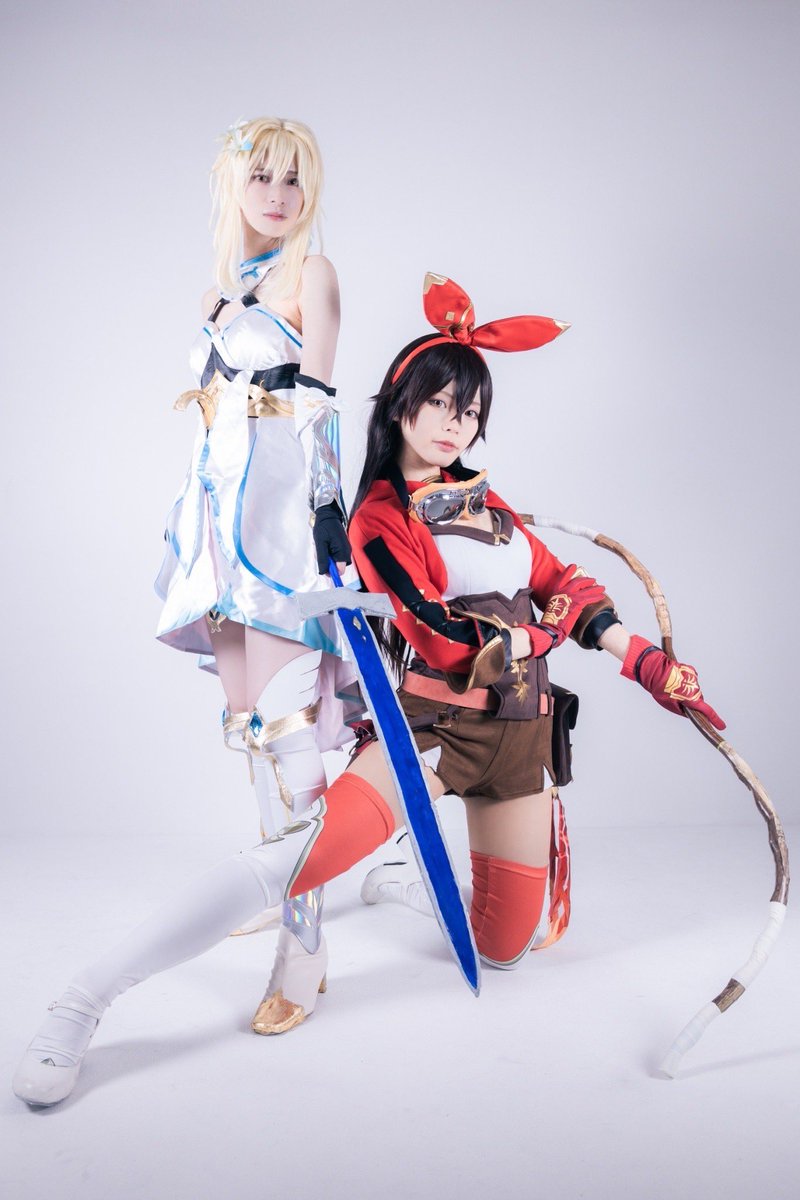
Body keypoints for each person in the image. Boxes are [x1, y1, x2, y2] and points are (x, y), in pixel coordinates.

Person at [12, 274, 723, 1107]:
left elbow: (563, 581)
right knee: (290, 863)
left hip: (521, 741)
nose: (455, 422)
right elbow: (441, 637)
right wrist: (542, 634)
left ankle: (404, 882)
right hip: (432, 738)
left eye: (470, 411)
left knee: (505, 948)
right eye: (441, 403)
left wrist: (646, 663)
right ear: (401, 406)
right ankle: (82, 1001)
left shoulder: (488, 505)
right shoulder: (381, 518)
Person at [154, 117, 356, 1034]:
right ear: (233, 187)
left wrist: (325, 520)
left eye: (292, 179)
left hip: (281, 531)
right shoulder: (220, 289)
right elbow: (209, 418)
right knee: (250, 727)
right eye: (261, 178)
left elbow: (318, 408)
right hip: (218, 529)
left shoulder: (313, 274)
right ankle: (281, 888)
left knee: (292, 737)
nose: (277, 195)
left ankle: (305, 954)